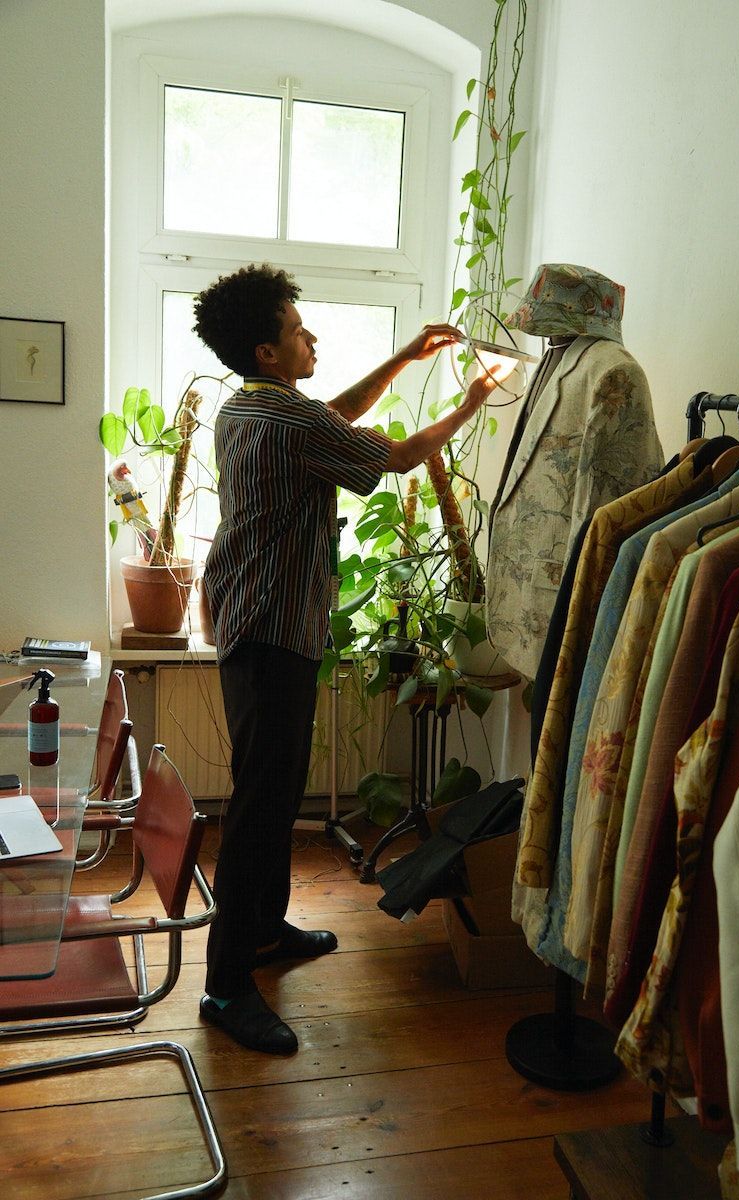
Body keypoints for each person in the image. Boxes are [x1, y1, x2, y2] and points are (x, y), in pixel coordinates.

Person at [192, 262, 497, 1053]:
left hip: (258, 623)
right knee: (260, 808)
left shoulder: (250, 409)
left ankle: (263, 930)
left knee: (277, 787)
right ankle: (224, 989)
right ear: (267, 351)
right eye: (298, 330)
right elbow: (393, 456)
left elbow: (333, 414)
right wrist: (471, 399)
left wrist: (402, 360)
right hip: (269, 634)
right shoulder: (285, 423)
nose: (311, 336)